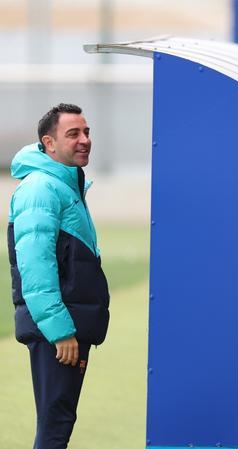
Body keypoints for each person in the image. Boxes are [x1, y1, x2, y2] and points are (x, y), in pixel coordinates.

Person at [8, 103, 110, 449]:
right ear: (49, 143)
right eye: (73, 134)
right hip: (58, 329)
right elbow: (35, 267)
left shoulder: (64, 185)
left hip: (68, 324)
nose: (84, 140)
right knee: (56, 423)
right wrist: (60, 331)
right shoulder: (41, 188)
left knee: (58, 420)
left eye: (87, 132)